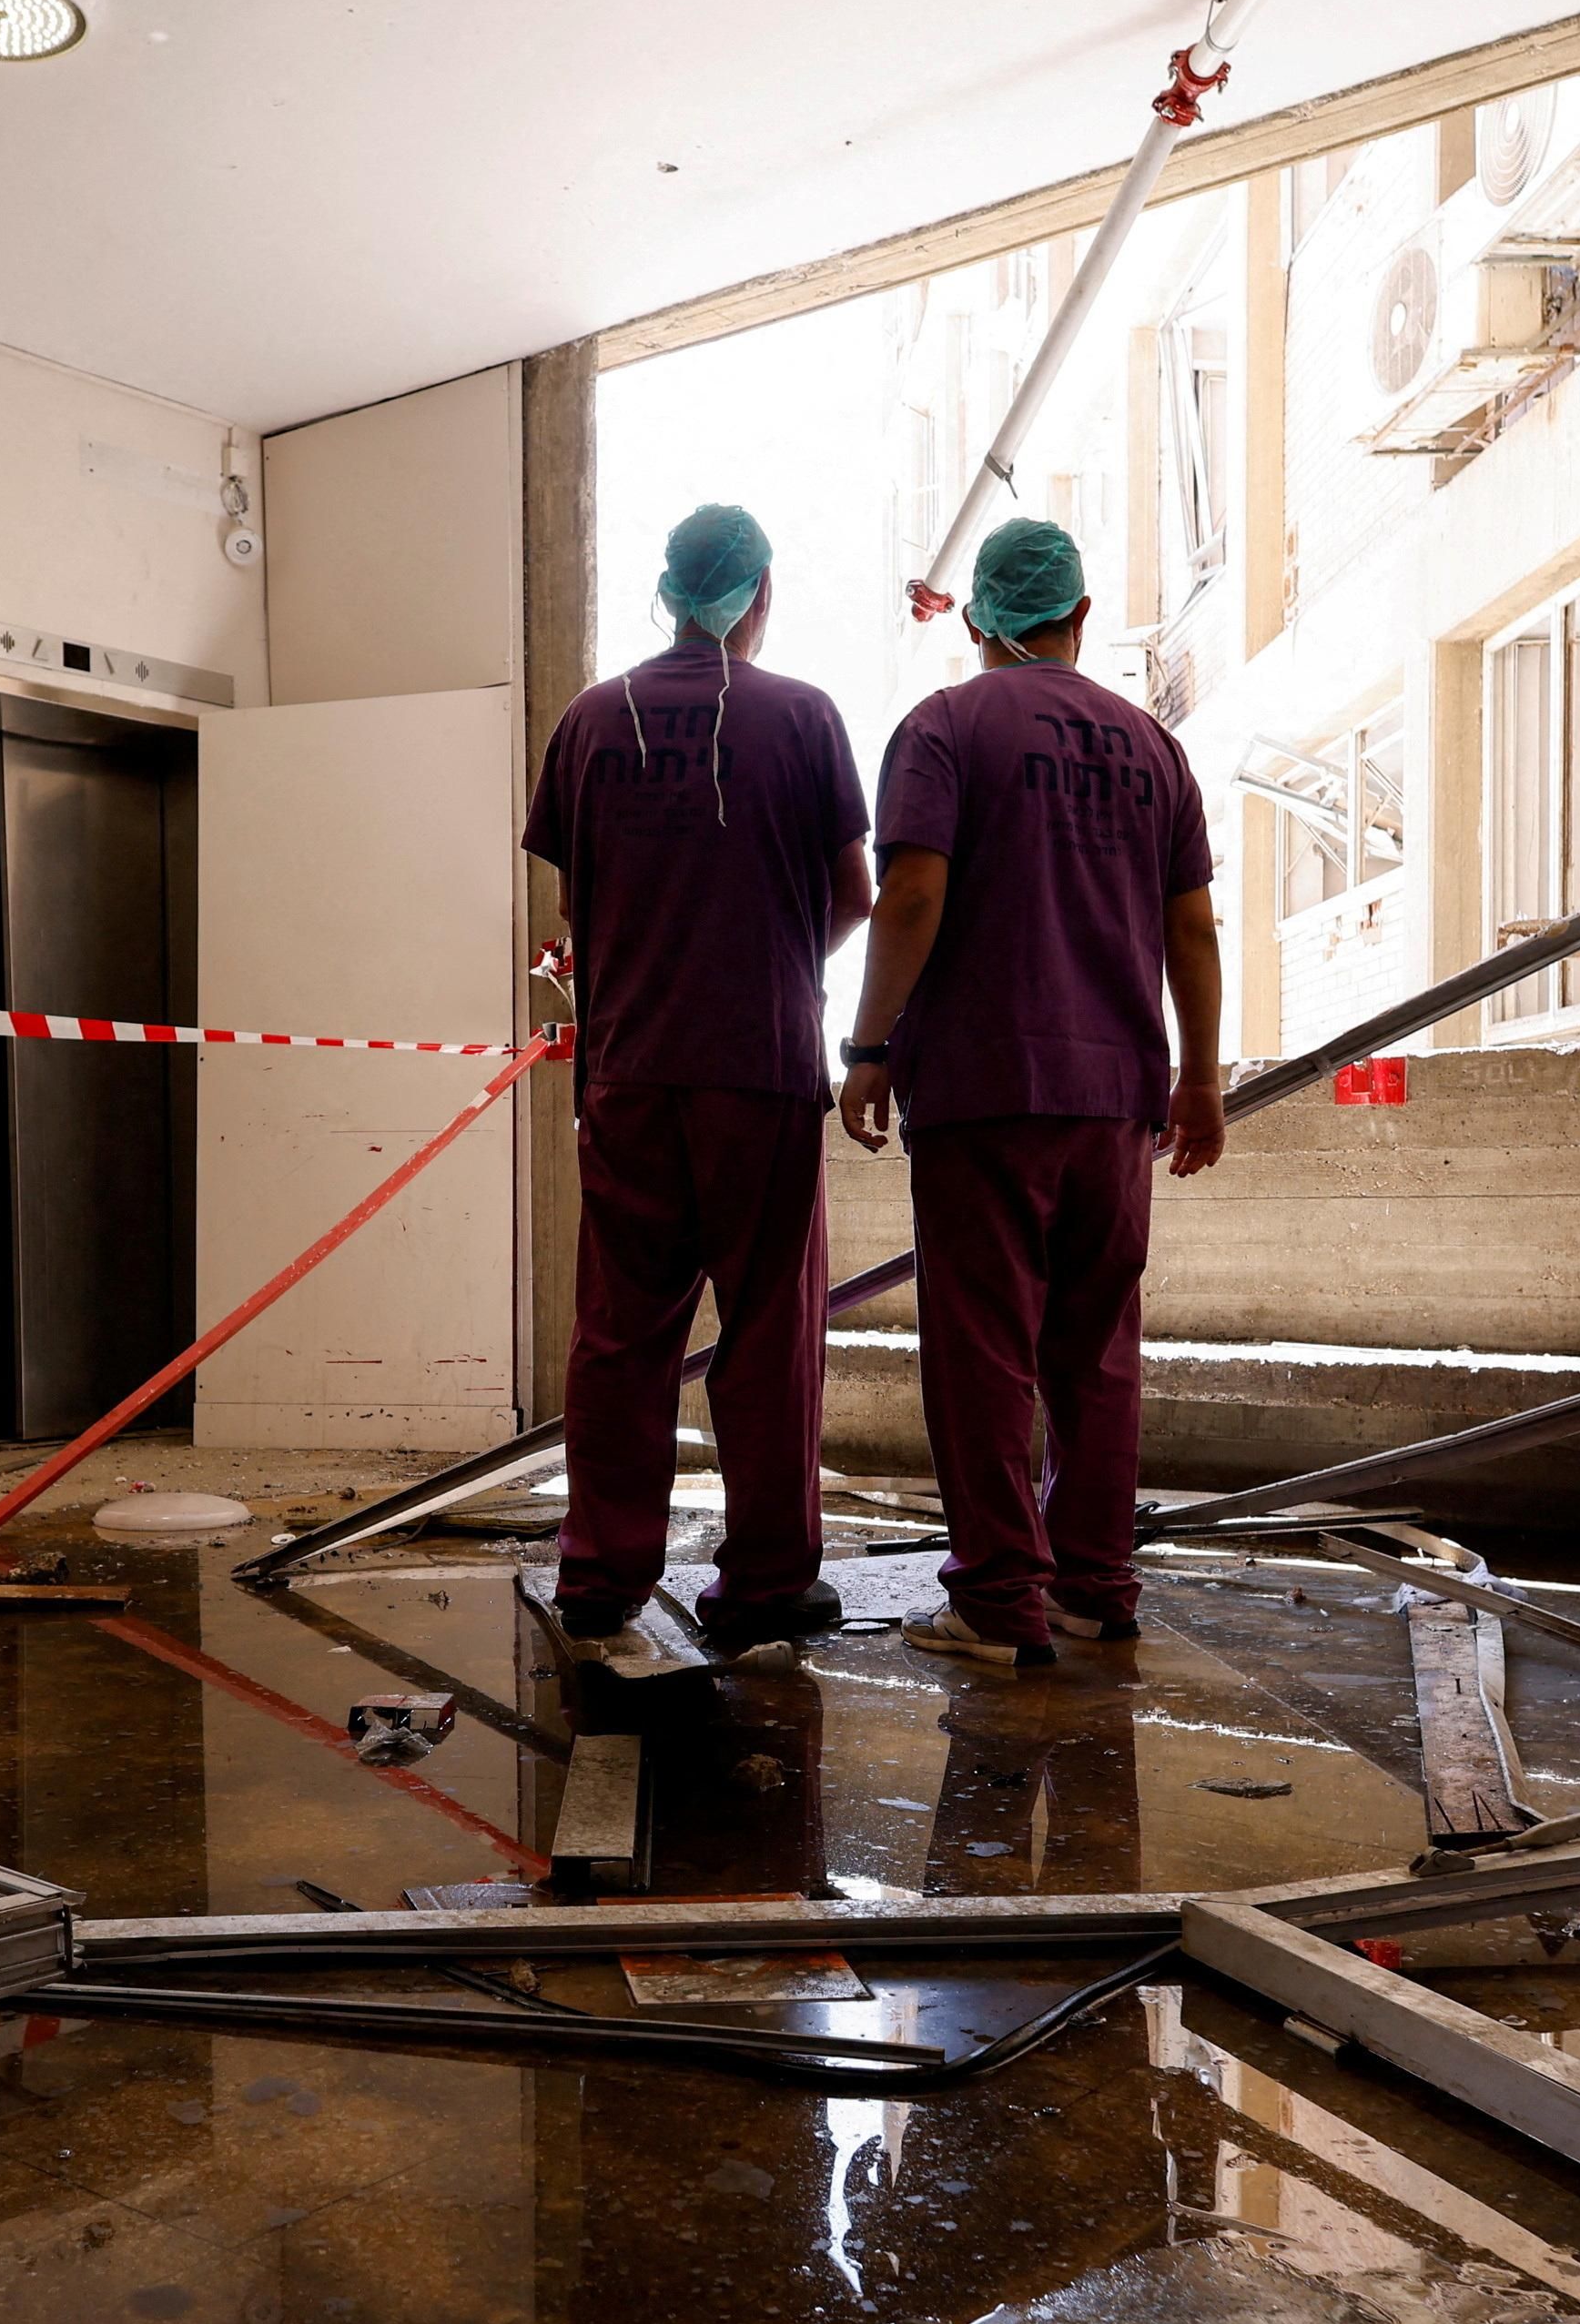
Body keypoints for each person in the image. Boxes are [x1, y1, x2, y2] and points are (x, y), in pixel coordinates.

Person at [836, 519, 1226, 1671]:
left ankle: (1001, 1601)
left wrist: (866, 1043)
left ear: (976, 621)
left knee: (984, 1351)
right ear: (1082, 615)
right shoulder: (1155, 747)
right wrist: (1198, 1077)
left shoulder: (944, 728)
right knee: (1096, 1346)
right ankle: (1097, 1585)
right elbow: (1191, 927)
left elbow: (910, 895)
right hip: (1116, 1097)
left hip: (985, 1086)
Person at [523, 502, 876, 1655]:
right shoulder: (804, 718)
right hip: (761, 1069)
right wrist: (768, 957)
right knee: (768, 1329)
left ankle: (599, 1571)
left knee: (621, 1332)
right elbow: (856, 896)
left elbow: (577, 910)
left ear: (668, 594)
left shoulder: (588, 723)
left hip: (630, 1071)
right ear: (759, 596)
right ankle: (768, 1577)